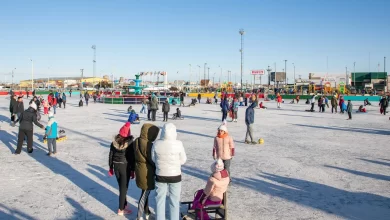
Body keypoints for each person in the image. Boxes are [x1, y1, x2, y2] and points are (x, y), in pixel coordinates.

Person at [152, 123, 187, 220]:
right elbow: (183, 160)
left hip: (160, 175)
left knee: (160, 200)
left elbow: (153, 159)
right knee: (174, 201)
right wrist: (175, 164)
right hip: (175, 176)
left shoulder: (157, 143)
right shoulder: (178, 144)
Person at [133, 123, 160, 220]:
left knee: (145, 192)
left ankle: (147, 212)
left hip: (139, 168)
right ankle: (139, 216)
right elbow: (151, 159)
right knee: (145, 193)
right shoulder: (148, 144)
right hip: (146, 171)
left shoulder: (137, 140)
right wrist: (157, 167)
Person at [108, 122, 135, 216]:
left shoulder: (114, 143)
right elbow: (131, 157)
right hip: (125, 167)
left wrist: (110, 167)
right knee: (124, 188)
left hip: (116, 166)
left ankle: (124, 204)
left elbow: (111, 155)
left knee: (121, 186)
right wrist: (132, 170)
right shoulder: (130, 143)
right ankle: (121, 209)